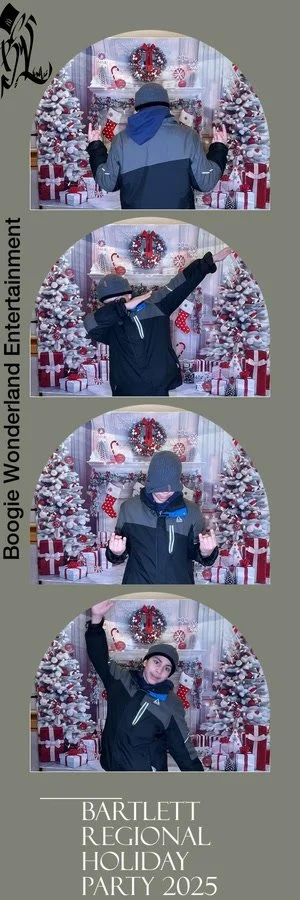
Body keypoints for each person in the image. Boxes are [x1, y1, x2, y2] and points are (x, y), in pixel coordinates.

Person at [84, 246, 231, 396]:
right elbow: (89, 324)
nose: (116, 305)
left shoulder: (154, 303)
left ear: (128, 294)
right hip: (125, 389)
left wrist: (209, 261)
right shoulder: (107, 322)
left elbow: (180, 283)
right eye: (110, 304)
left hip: (158, 385)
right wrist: (123, 307)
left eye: (119, 300)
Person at [85, 599, 204, 772]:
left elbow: (184, 748)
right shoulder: (121, 679)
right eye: (157, 662)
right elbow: (99, 656)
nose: (159, 670)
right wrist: (96, 619)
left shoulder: (170, 703)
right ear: (145, 662)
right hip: (110, 767)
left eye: (167, 668)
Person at [87, 82, 228, 209]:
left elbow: (107, 182)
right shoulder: (188, 136)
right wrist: (219, 148)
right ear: (167, 106)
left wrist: (95, 147)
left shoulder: (121, 140)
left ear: (138, 107)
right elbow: (206, 181)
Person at [106, 451, 219, 584]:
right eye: (159, 487)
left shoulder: (192, 512)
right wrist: (116, 552)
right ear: (150, 481)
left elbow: (196, 553)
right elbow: (120, 550)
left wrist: (206, 552)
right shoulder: (129, 508)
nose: (165, 492)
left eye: (171, 487)